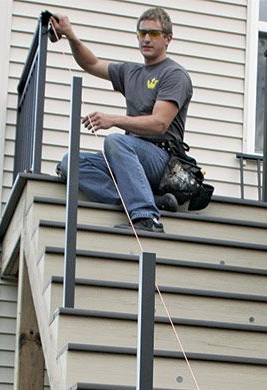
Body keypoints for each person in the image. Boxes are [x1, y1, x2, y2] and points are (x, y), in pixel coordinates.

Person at [49, 7, 193, 234]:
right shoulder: (131, 72)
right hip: (129, 159)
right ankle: (149, 199)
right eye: (141, 33)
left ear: (167, 39)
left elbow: (159, 124)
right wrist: (70, 35)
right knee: (71, 163)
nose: (146, 39)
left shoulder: (174, 74)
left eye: (154, 34)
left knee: (115, 141)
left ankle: (147, 217)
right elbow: (91, 64)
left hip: (161, 160)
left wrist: (113, 120)